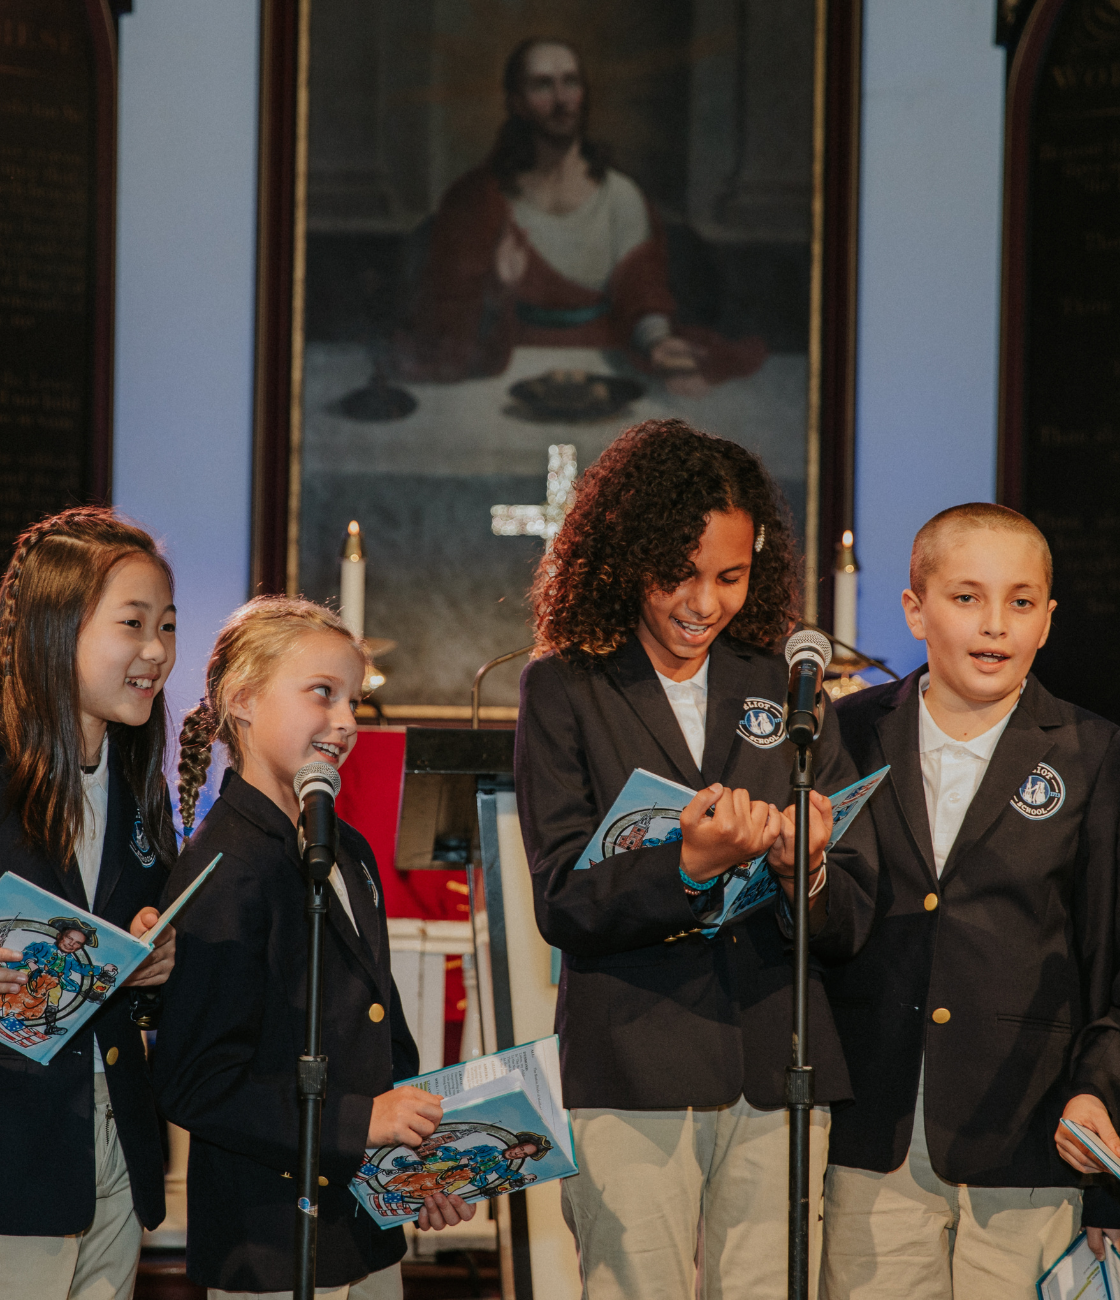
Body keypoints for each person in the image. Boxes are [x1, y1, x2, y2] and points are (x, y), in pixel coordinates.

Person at [513, 418, 878, 1299]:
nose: (704, 602)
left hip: (776, 1058)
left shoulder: (787, 685)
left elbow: (857, 913)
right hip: (632, 1065)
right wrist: (688, 864)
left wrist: (807, 872)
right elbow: (562, 900)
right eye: (678, 574)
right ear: (627, 557)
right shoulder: (567, 684)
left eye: (730, 576)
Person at [820, 503, 1120, 1299]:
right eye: (966, 598)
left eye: (1020, 603)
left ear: (1048, 620)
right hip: (871, 1133)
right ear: (915, 609)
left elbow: (1108, 956)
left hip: (1029, 1136)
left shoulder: (1093, 754)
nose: (995, 626)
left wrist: (1103, 1097)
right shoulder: (839, 735)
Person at [150, 596, 474, 1300]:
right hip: (270, 1244)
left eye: (354, 700)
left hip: (362, 1226)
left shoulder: (346, 849)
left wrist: (416, 1163)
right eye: (322, 694)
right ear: (243, 701)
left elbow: (377, 1026)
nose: (346, 721)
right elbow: (197, 1082)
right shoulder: (223, 868)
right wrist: (364, 1121)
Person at [0, 506, 180, 1300]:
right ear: (52, 627)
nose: (157, 652)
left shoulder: (142, 787)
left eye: (167, 627)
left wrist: (155, 962)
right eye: (132, 623)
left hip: (111, 1157)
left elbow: (135, 957)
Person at [395, 38, 767, 389]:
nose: (561, 100)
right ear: (516, 103)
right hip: (504, 365)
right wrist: (496, 289)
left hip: (607, 362)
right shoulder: (477, 198)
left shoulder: (620, 196)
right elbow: (441, 322)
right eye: (543, 85)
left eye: (570, 83)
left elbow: (643, 291)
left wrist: (657, 341)